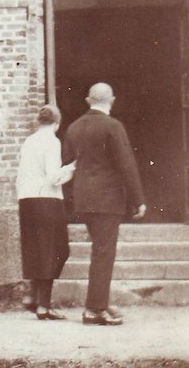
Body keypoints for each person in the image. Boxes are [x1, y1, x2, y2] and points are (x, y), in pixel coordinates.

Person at [63, 83, 147, 326]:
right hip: (107, 200)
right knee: (103, 253)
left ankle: (98, 302)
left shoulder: (74, 127)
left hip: (83, 199)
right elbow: (126, 164)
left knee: (99, 251)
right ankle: (95, 309)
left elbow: (68, 163)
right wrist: (138, 199)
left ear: (88, 100)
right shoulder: (113, 126)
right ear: (112, 100)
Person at [16, 105, 75, 320]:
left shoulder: (28, 141)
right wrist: (72, 168)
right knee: (55, 250)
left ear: (38, 121)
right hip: (47, 200)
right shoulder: (52, 141)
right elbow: (53, 177)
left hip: (26, 199)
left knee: (36, 249)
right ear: (57, 123)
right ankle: (44, 306)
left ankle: (32, 297)